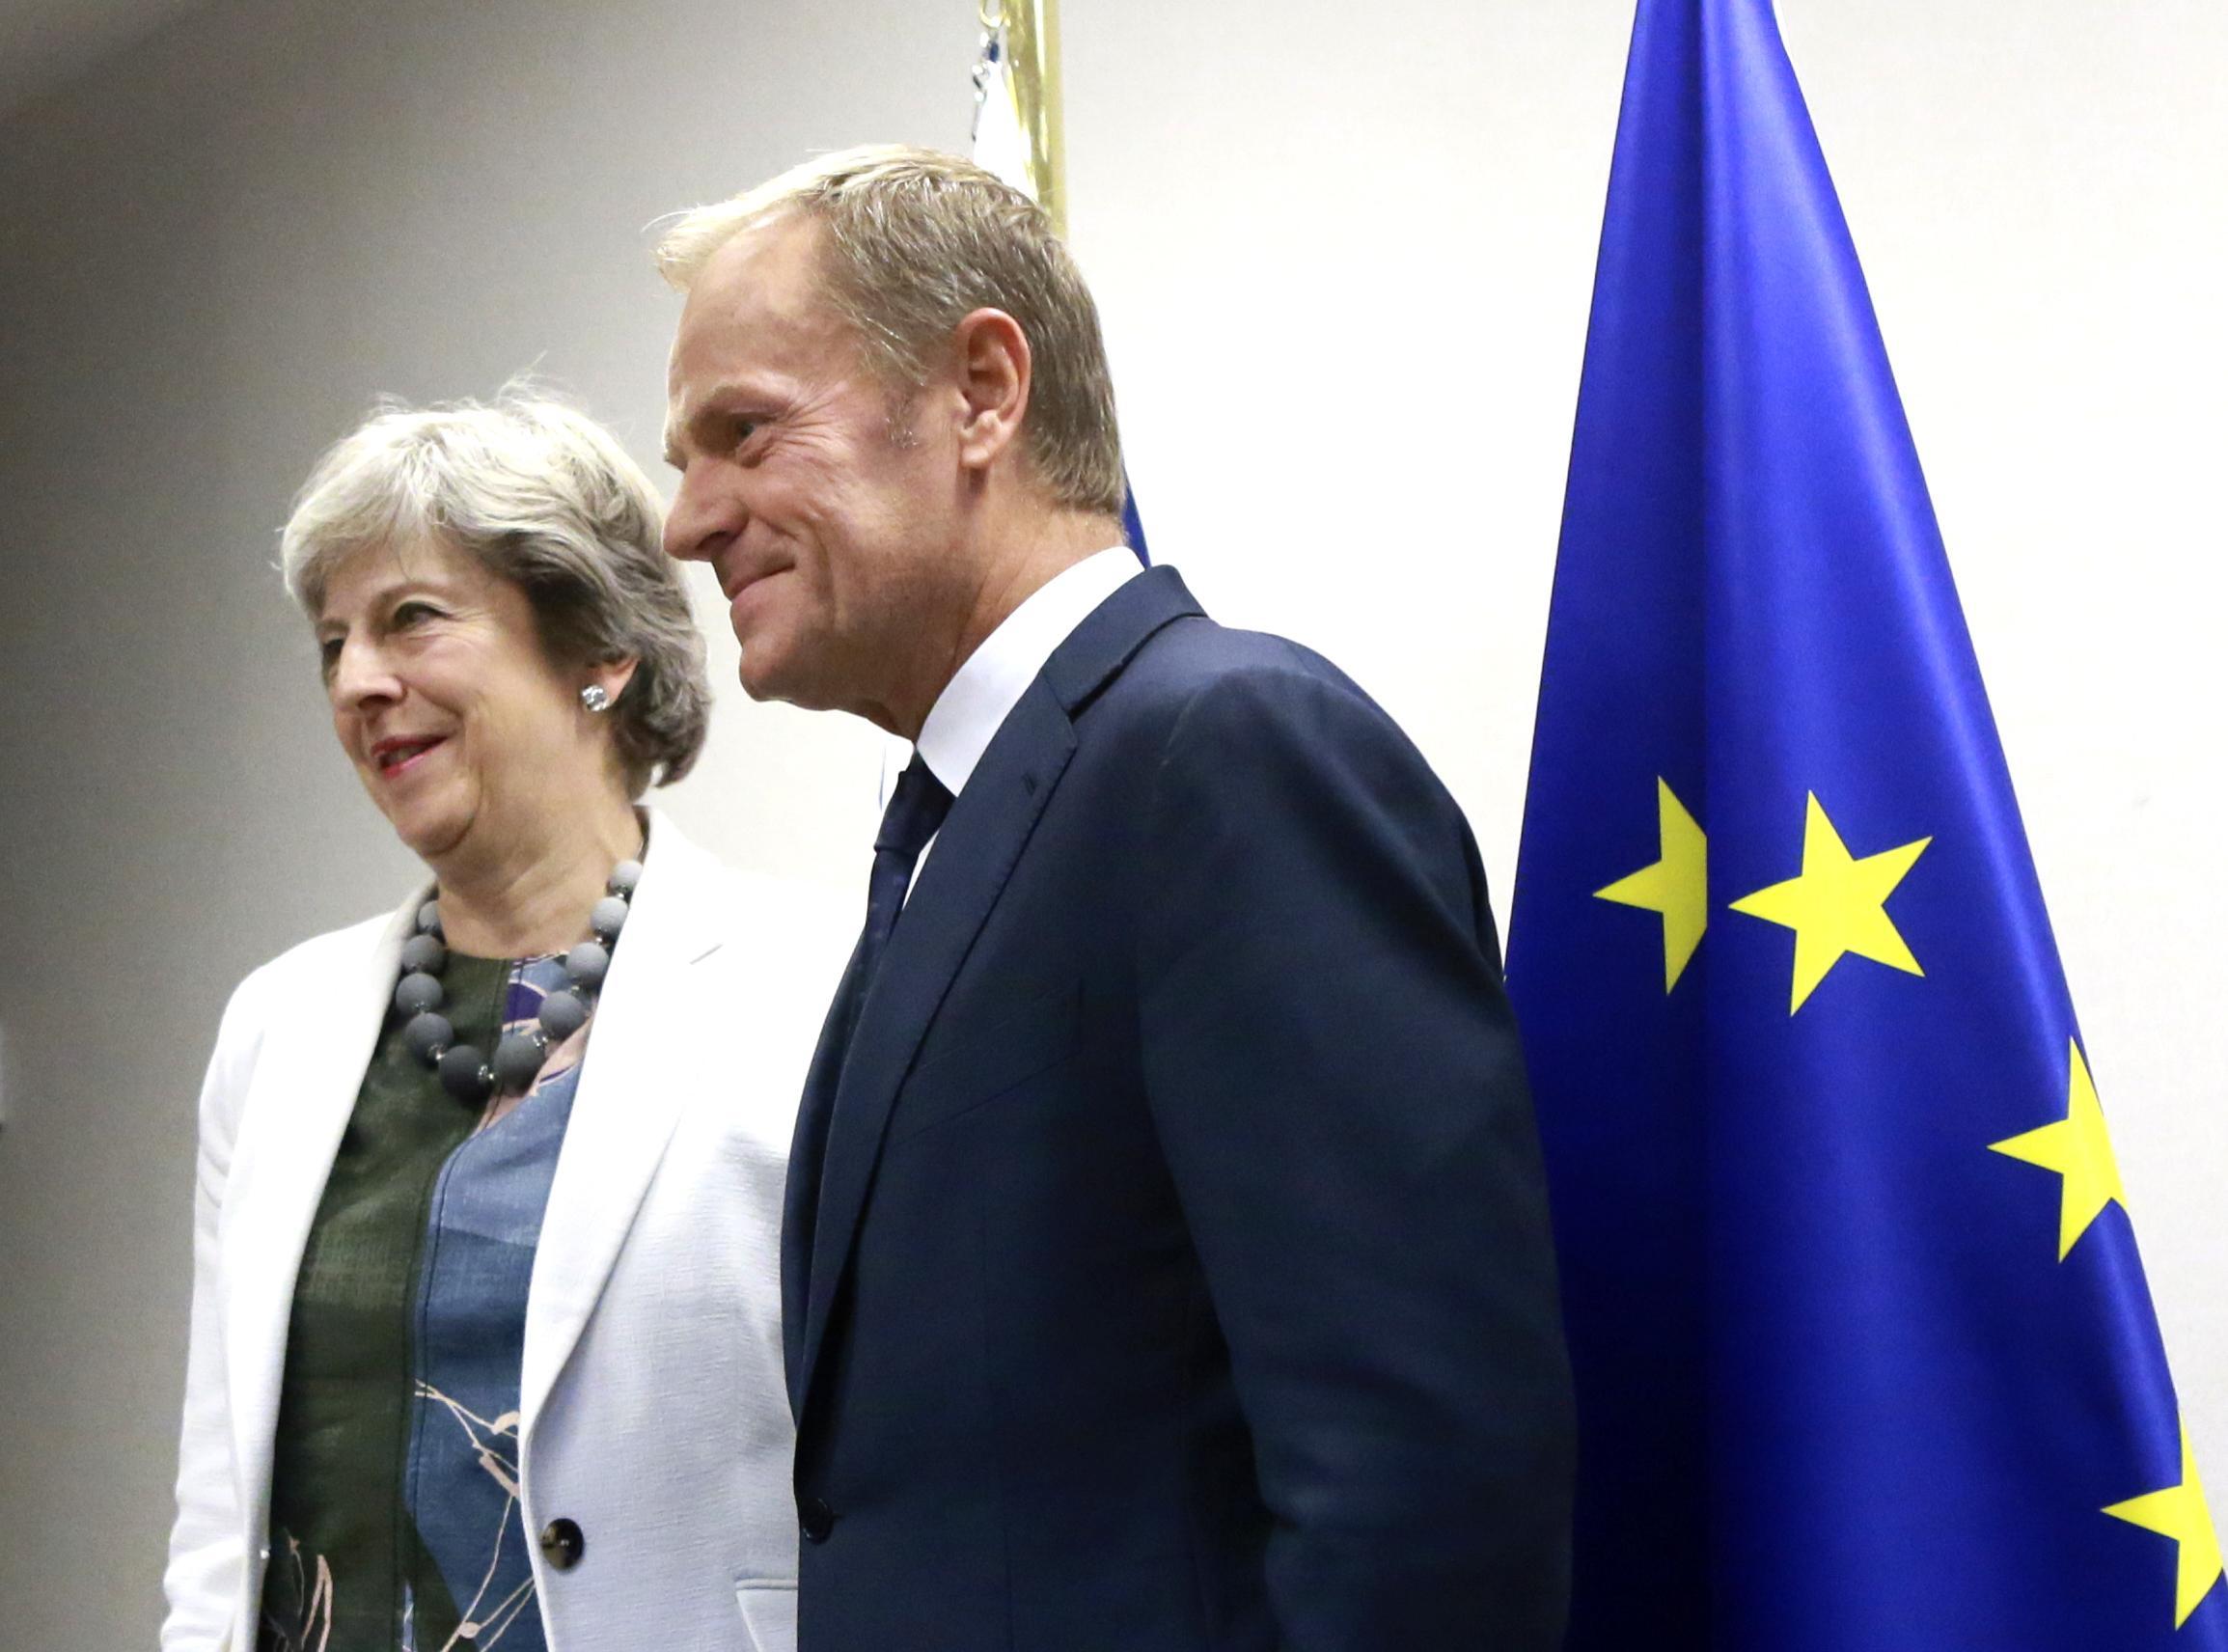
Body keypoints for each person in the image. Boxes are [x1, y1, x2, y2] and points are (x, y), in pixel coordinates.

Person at [656, 147, 1576, 1651]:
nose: (688, 520)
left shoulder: (1224, 752)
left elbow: (1422, 1490)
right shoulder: (955, 826)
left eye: (742, 433)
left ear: (981, 393)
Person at [161, 394, 844, 1652]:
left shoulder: (811, 992)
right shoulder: (280, 1026)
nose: (361, 682)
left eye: (412, 617)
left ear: (599, 657)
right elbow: (221, 1505)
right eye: (332, 644)